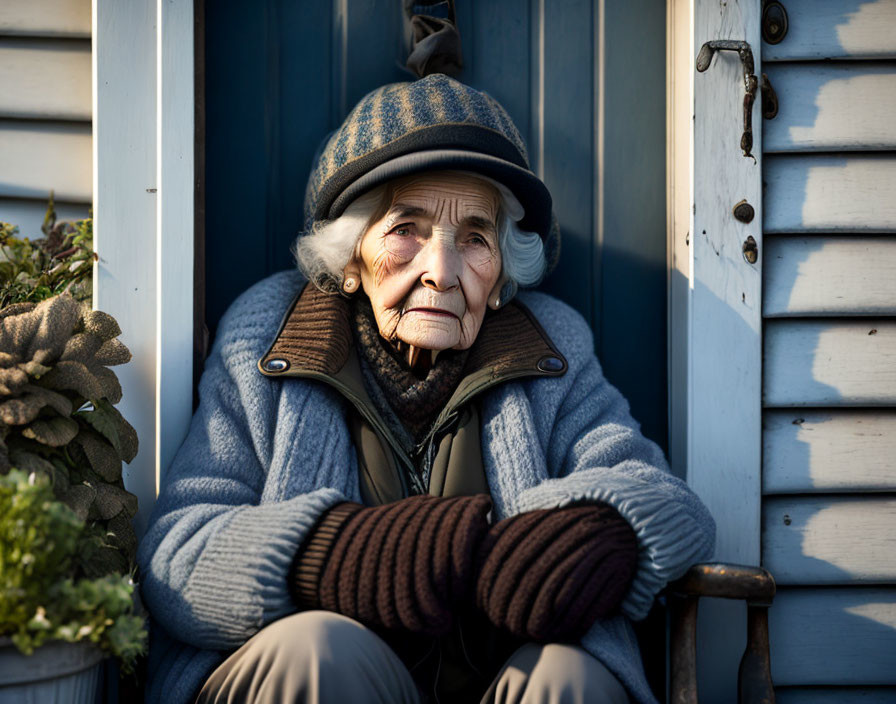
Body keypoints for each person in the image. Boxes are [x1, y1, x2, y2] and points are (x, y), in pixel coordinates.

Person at [137, 73, 715, 704]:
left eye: (474, 238)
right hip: (332, 682)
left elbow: (674, 506)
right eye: (405, 229)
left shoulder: (554, 347)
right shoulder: (265, 340)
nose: (441, 272)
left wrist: (606, 531)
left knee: (567, 680)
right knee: (320, 656)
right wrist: (333, 558)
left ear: (498, 277)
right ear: (351, 258)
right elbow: (174, 556)